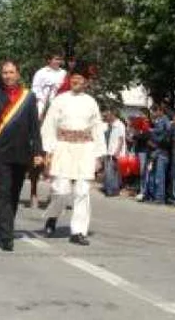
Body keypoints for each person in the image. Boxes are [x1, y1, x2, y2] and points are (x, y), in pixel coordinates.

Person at [0, 60, 42, 252]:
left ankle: (3, 225)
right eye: (5, 72)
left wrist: (38, 152)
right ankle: (6, 236)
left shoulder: (29, 97)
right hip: (1, 153)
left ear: (18, 74)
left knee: (14, 193)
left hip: (22, 153)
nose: (8, 75)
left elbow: (34, 128)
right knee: (4, 192)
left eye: (11, 72)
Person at [41, 61, 106, 246]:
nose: (76, 81)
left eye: (80, 79)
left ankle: (78, 231)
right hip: (63, 148)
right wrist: (48, 151)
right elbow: (49, 126)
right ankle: (52, 217)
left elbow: (97, 130)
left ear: (86, 82)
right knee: (61, 190)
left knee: (82, 191)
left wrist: (98, 156)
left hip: (85, 149)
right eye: (74, 78)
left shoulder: (91, 102)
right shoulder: (60, 99)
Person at [31, 52, 66, 120]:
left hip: (59, 102)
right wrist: (43, 100)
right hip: (43, 101)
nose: (58, 62)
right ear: (49, 60)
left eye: (59, 60)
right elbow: (35, 89)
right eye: (56, 59)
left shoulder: (63, 73)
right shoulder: (41, 72)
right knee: (38, 117)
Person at [102, 108, 126, 197]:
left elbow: (121, 139)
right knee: (109, 171)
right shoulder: (110, 125)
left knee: (112, 172)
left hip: (115, 152)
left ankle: (112, 190)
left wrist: (117, 151)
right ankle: (110, 189)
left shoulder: (120, 125)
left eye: (109, 115)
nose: (107, 117)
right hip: (109, 151)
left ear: (113, 115)